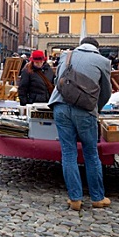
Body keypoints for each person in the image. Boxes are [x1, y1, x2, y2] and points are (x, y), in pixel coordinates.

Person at [48, 37, 112, 211]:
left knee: (68, 153)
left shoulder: (66, 56)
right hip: (85, 111)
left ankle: (75, 199)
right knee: (91, 153)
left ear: (81, 44)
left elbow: (58, 82)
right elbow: (106, 93)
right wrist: (94, 109)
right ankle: (97, 198)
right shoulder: (103, 61)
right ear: (96, 48)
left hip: (60, 106)